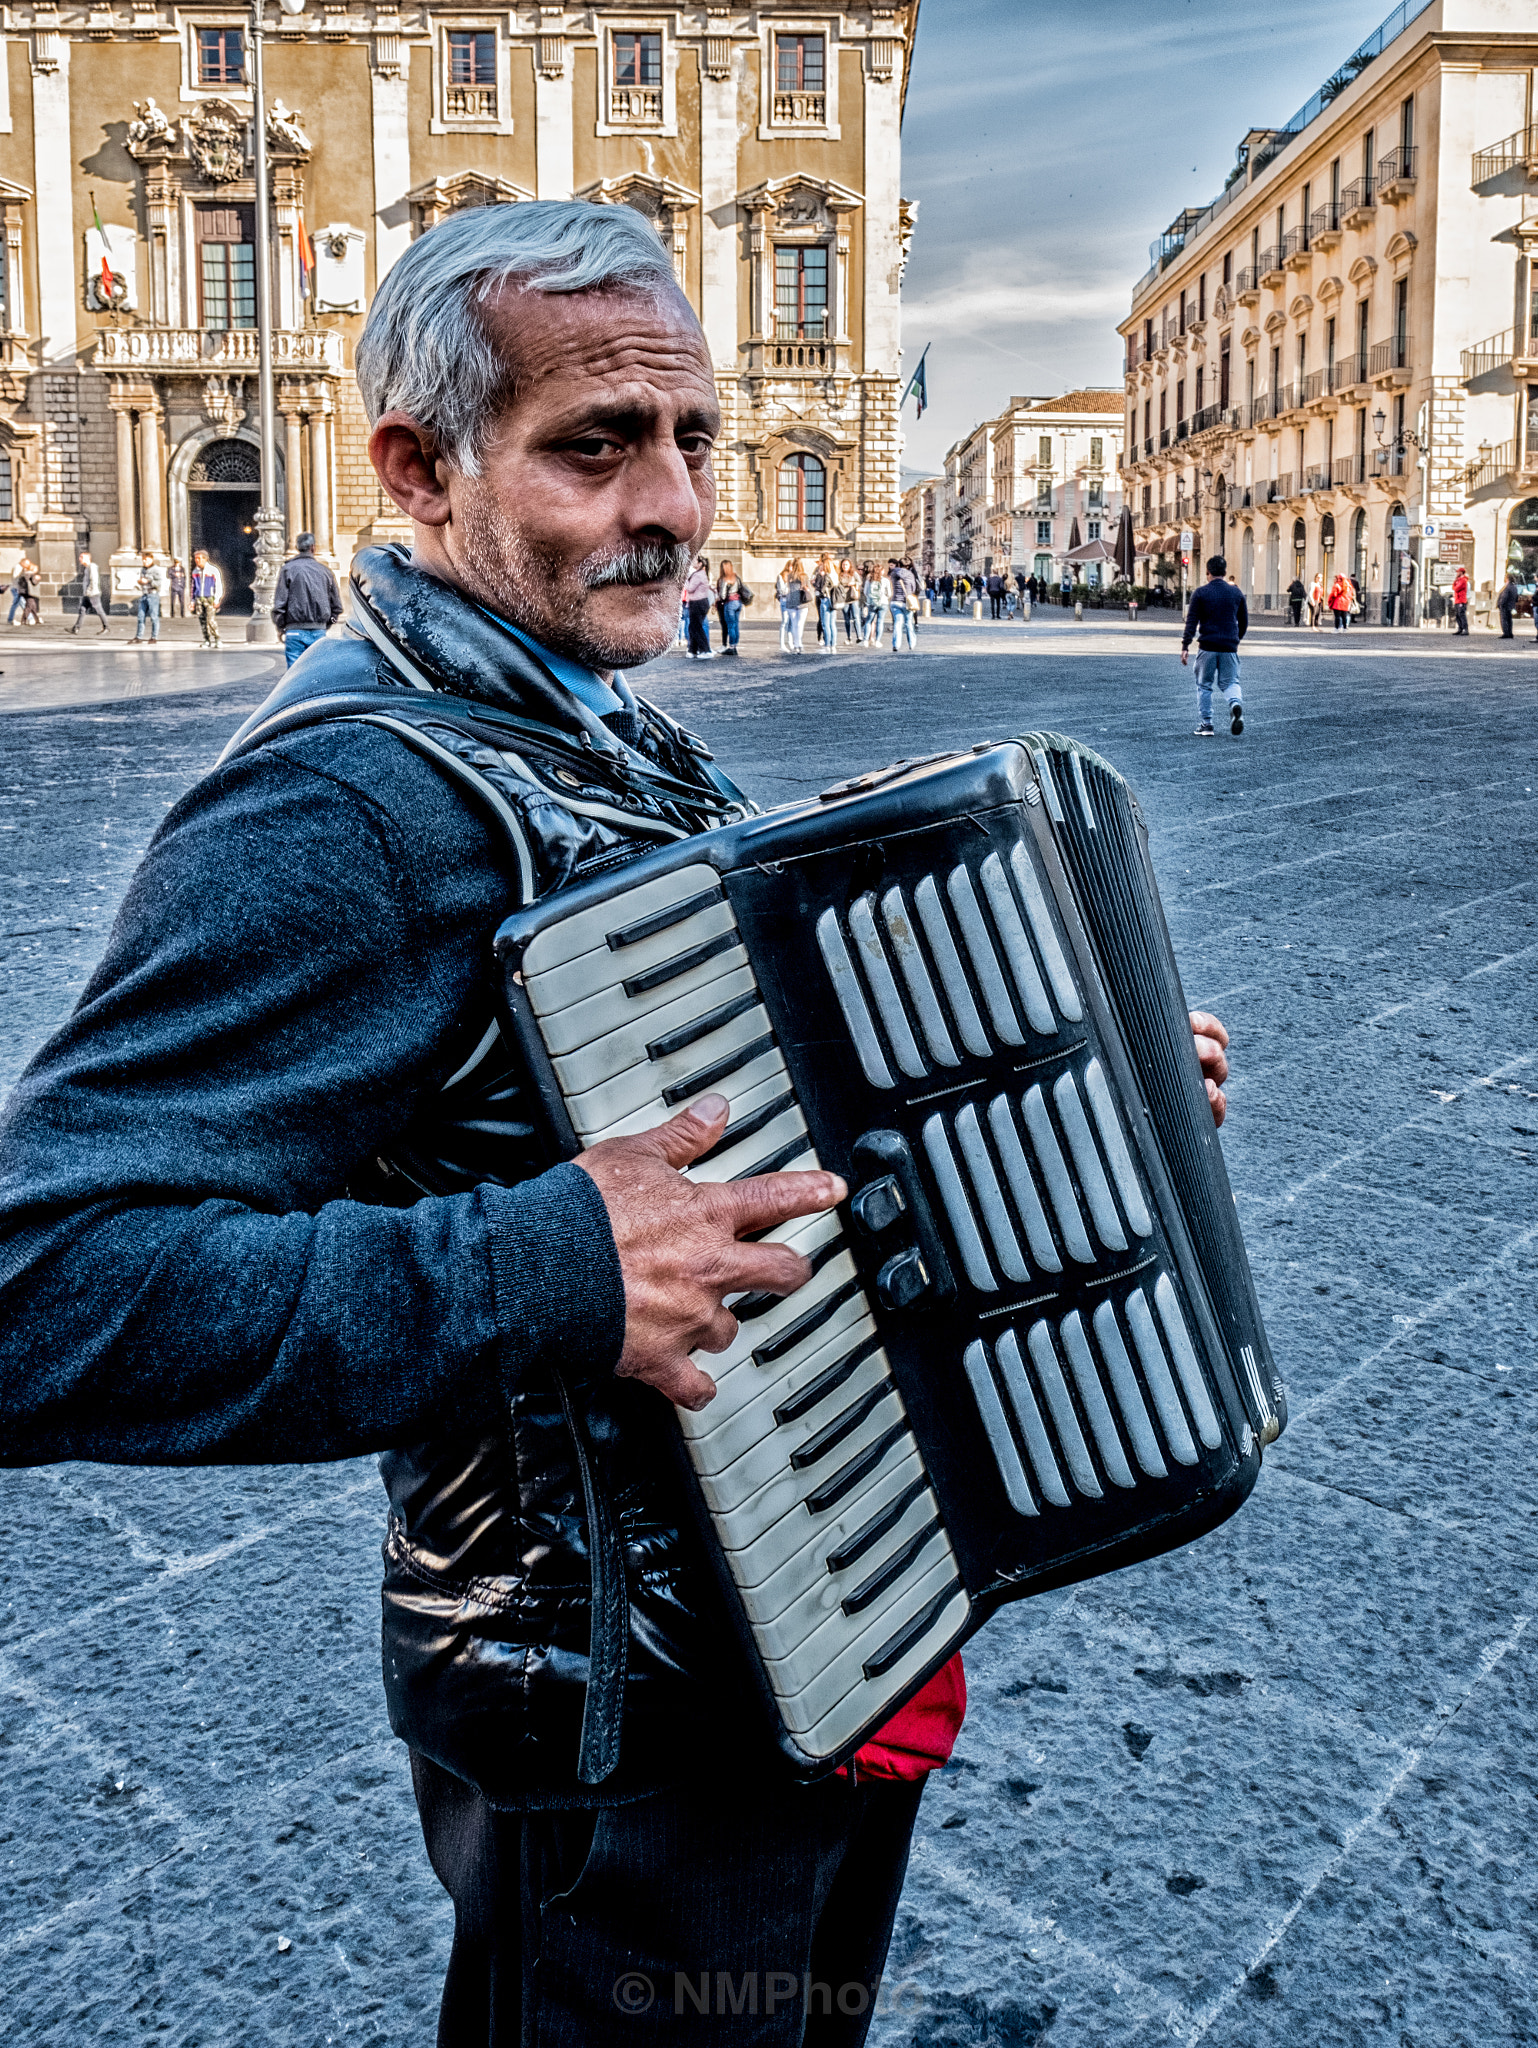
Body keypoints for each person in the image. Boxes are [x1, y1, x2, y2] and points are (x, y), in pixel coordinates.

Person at [0, 198, 1239, 2047]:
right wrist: (556, 1261)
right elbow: (45, 1289)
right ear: (417, 466)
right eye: (594, 447)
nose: (670, 502)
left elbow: (761, 1117)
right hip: (612, 1720)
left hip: (794, 1627)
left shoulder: (588, 723)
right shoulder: (349, 801)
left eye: (693, 440)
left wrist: (1085, 1090)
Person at [1181, 552, 1247, 738]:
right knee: (1231, 682)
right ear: (1225, 572)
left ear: (1207, 572)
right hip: (1229, 647)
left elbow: (1192, 622)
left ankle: (1207, 724)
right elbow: (1244, 621)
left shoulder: (1201, 593)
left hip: (1207, 646)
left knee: (1204, 685)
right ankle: (1235, 704)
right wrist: (1235, 639)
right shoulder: (1236, 592)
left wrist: (1186, 646)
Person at [271, 531, 343, 667]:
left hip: (294, 631)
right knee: (317, 675)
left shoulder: (287, 569)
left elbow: (279, 605)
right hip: (319, 632)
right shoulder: (326, 572)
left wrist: (282, 627)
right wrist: (325, 624)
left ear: (297, 547)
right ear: (313, 547)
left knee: (294, 677)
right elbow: (337, 607)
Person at [70, 549, 111, 636]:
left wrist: (89, 591)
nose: (79, 559)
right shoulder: (87, 568)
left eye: (82, 557)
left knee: (99, 610)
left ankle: (106, 627)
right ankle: (76, 628)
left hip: (92, 594)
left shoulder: (92, 566)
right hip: (88, 594)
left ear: (88, 558)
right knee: (82, 610)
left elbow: (94, 580)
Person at [682, 552, 713, 658]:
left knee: (696, 627)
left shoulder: (698, 575)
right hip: (699, 602)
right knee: (693, 626)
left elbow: (690, 588)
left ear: (700, 564)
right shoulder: (700, 574)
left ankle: (705, 650)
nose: (693, 562)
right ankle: (693, 650)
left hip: (697, 603)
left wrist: (684, 581)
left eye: (695, 560)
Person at [190, 548, 223, 647]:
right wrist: (192, 601)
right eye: (196, 558)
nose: (197, 560)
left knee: (211, 620)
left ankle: (217, 638)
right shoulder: (195, 571)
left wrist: (217, 598)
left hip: (209, 598)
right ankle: (206, 639)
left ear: (205, 559)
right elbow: (193, 587)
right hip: (199, 598)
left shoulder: (213, 570)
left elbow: (218, 585)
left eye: (199, 558)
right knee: (202, 620)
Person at [777, 555, 808, 652]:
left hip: (791, 602)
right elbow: (806, 588)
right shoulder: (804, 576)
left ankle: (796, 645)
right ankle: (799, 644)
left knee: (794, 624)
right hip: (802, 602)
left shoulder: (789, 576)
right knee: (800, 624)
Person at [714, 557, 744, 655]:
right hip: (738, 603)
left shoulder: (724, 579)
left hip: (730, 603)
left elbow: (722, 595)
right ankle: (734, 645)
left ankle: (731, 647)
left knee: (730, 625)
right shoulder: (736, 577)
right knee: (735, 625)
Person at [132, 550, 164, 643]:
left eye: (147, 560)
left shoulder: (156, 570)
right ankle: (139, 636)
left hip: (153, 594)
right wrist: (140, 582)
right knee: (140, 616)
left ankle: (154, 637)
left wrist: (149, 581)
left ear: (151, 559)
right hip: (144, 594)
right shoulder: (143, 569)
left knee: (154, 617)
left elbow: (159, 583)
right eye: (143, 560)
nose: (145, 562)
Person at [890, 557, 918, 652]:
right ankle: (912, 644)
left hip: (895, 601)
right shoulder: (910, 574)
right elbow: (913, 588)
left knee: (898, 623)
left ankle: (896, 645)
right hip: (906, 602)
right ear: (908, 565)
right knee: (909, 623)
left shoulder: (893, 573)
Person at [863, 559, 892, 647]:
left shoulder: (869, 580)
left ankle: (865, 640)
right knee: (880, 621)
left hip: (872, 603)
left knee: (869, 621)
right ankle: (877, 641)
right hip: (883, 603)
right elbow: (889, 593)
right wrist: (885, 597)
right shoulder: (886, 580)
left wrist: (870, 598)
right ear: (882, 571)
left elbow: (865, 592)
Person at [813, 552, 837, 648]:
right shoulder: (834, 574)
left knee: (825, 623)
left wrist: (818, 581)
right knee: (832, 624)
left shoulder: (825, 576)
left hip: (825, 599)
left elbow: (821, 588)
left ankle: (827, 643)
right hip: (833, 600)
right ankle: (833, 643)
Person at [839, 556, 862, 643]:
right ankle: (849, 637)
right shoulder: (839, 575)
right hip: (844, 599)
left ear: (850, 565)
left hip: (853, 598)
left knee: (856, 617)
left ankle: (859, 636)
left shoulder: (854, 574)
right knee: (847, 619)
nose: (845, 566)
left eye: (846, 564)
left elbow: (860, 582)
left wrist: (854, 583)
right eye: (843, 564)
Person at [1497, 569, 1520, 639]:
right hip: (1510, 606)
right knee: (1509, 620)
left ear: (1507, 579)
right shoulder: (1514, 587)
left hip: (1504, 606)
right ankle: (1510, 633)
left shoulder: (1507, 587)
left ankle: (1506, 633)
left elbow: (1504, 596)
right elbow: (1516, 597)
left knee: (1504, 619)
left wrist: (1500, 603)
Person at [1451, 565, 1470, 636]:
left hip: (1461, 600)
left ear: (1461, 572)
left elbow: (1456, 588)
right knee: (1458, 615)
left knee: (1462, 615)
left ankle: (1465, 629)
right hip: (1457, 600)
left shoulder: (1463, 580)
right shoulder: (1458, 580)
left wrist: (1456, 583)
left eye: (1458, 572)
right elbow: (1453, 587)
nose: (1457, 573)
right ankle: (1460, 628)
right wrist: (1455, 580)